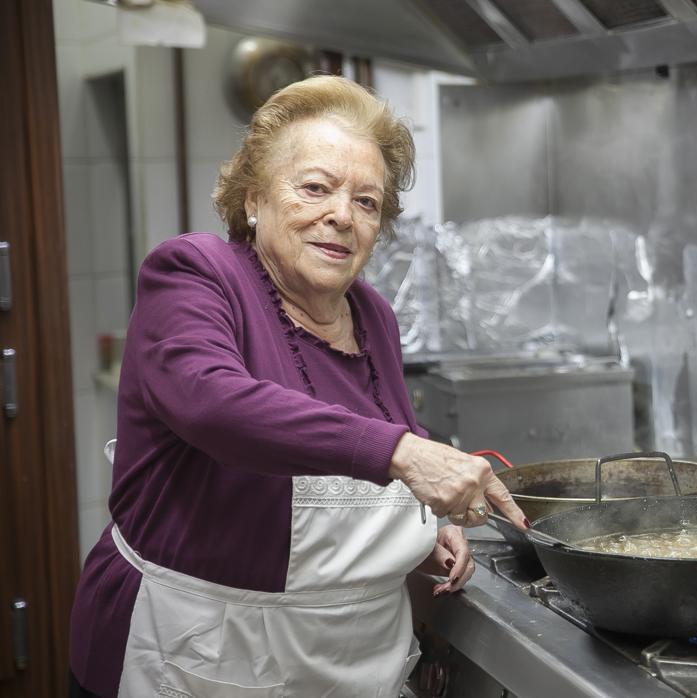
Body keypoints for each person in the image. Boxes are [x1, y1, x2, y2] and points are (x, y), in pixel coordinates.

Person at [67, 75, 527, 698]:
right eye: (315, 188)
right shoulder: (196, 275)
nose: (341, 214)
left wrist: (422, 526)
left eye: (366, 202)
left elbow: (389, 440)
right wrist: (406, 455)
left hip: (350, 666)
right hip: (191, 658)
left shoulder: (373, 317)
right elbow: (215, 404)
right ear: (254, 199)